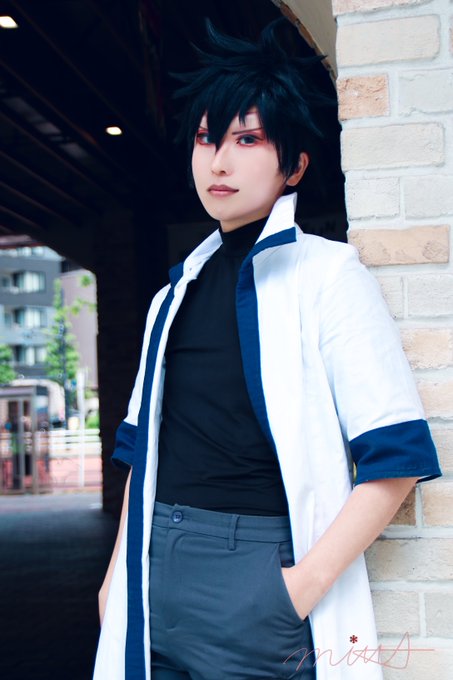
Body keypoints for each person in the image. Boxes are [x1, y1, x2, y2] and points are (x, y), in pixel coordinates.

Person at [93, 18, 442, 680]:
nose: (218, 161)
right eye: (206, 138)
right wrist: (115, 583)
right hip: (152, 575)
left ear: (295, 165)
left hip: (256, 584)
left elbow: (395, 458)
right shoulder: (172, 295)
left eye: (247, 139)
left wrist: (296, 591)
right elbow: (143, 451)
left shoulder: (328, 275)